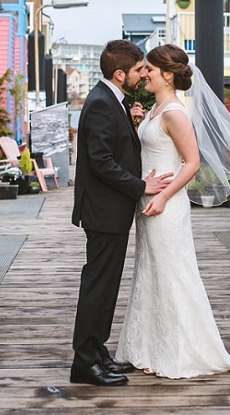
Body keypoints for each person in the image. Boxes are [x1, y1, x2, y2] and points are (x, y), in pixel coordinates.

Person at [116, 43, 230, 378]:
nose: (145, 74)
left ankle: (177, 352)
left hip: (166, 206)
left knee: (172, 273)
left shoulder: (174, 112)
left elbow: (192, 162)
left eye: (151, 70)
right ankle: (146, 348)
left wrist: (162, 197)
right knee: (150, 272)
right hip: (149, 202)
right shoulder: (157, 109)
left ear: (168, 75)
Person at [70, 39, 172, 386]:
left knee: (107, 284)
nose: (143, 74)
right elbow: (100, 161)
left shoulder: (111, 101)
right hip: (102, 210)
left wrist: (132, 120)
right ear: (119, 74)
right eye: (138, 70)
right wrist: (140, 186)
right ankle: (84, 362)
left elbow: (112, 145)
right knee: (98, 285)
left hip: (110, 209)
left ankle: (98, 352)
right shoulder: (100, 103)